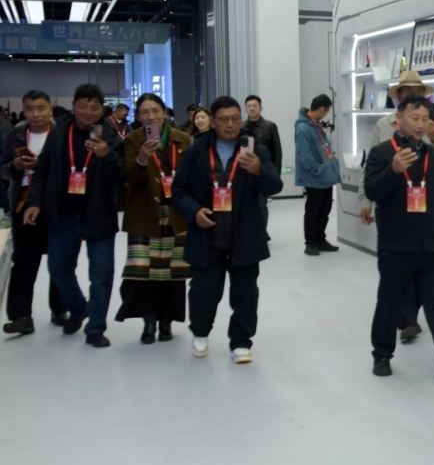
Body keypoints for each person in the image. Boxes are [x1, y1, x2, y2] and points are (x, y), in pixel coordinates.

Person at [171, 95, 283, 363]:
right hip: (207, 235)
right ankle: (200, 332)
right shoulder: (196, 151)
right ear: (212, 121)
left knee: (246, 294)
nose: (231, 125)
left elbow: (274, 186)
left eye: (235, 118)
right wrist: (194, 211)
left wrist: (258, 170)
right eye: (224, 119)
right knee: (204, 292)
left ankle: (241, 341)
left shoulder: (255, 150)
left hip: (244, 235)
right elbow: (178, 190)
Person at [364, 94, 434, 380]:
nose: (420, 124)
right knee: (389, 303)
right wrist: (394, 170)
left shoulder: (433, 156)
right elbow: (372, 191)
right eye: (414, 118)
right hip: (396, 247)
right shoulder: (381, 153)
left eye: (425, 119)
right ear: (399, 119)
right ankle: (382, 356)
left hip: (431, 247)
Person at [23, 83, 123, 348]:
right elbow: (42, 170)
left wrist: (106, 155)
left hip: (99, 214)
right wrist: (34, 203)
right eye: (83, 106)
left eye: (94, 107)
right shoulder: (59, 132)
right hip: (63, 212)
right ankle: (78, 308)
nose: (88, 112)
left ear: (102, 109)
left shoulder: (112, 138)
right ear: (73, 106)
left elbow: (121, 178)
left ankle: (96, 328)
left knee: (101, 275)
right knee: (58, 268)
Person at [116, 93, 192, 343]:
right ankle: (149, 321)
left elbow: (192, 176)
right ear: (138, 116)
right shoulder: (132, 139)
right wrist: (141, 158)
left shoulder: (183, 139)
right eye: (145, 112)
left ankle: (167, 321)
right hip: (144, 213)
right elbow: (128, 178)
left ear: (165, 112)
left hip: (176, 213)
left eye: (155, 110)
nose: (151, 116)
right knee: (143, 274)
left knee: (173, 272)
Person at [0, 90, 67, 334]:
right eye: (29, 109)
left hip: (56, 204)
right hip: (23, 204)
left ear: (50, 109)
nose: (35, 114)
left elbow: (70, 168)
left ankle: (59, 309)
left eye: (40, 108)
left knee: (59, 259)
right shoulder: (15, 135)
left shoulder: (61, 134)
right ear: (24, 111)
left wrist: (43, 165)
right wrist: (14, 165)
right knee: (24, 260)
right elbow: (3, 169)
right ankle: (20, 316)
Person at [294, 94, 340, 255]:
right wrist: (316, 169)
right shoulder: (303, 128)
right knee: (313, 211)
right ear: (321, 108)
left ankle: (321, 239)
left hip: (326, 175)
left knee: (324, 210)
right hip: (315, 177)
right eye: (327, 111)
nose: (326, 114)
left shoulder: (316, 125)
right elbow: (304, 155)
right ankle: (311, 242)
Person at [243, 95, 283, 234]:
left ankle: (261, 234)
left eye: (255, 106)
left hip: (263, 172)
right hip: (245, 173)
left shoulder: (269, 126)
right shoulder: (241, 127)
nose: (252, 108)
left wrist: (275, 175)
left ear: (261, 108)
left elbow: (277, 153)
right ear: (245, 109)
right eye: (249, 106)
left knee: (261, 205)